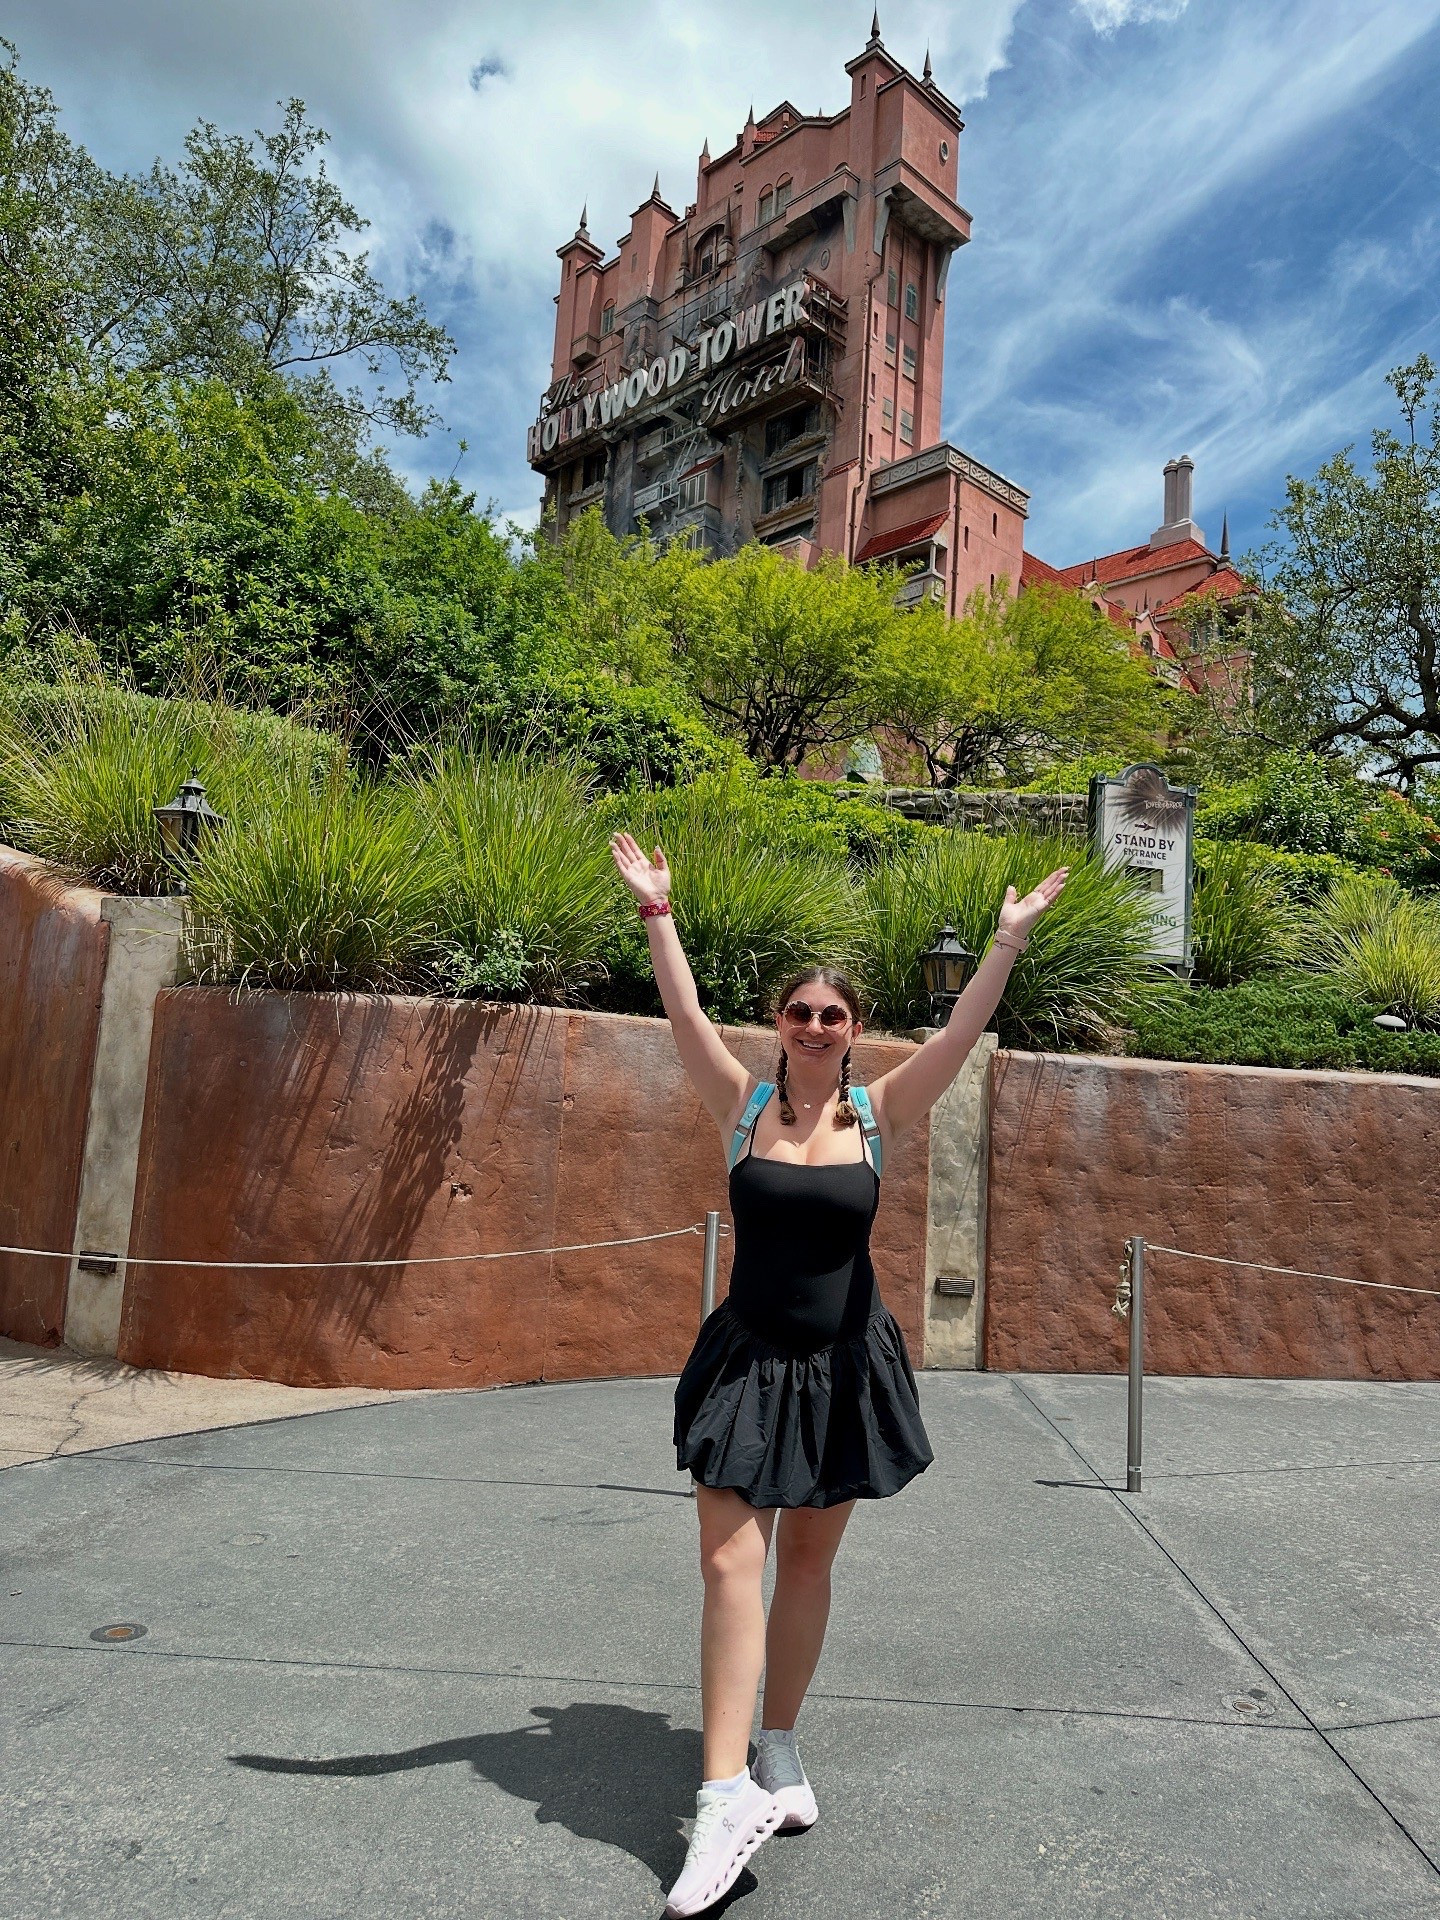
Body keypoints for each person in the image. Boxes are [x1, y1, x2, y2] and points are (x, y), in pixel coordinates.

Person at [609, 830, 1069, 1918]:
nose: (814, 1026)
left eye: (833, 1014)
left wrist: (1004, 944)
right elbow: (680, 1018)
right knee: (729, 1561)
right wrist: (658, 915)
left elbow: (961, 1031)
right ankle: (723, 1797)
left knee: (807, 1566)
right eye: (798, 1012)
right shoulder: (739, 1104)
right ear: (780, 1026)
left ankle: (777, 1746)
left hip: (844, 1365)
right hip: (746, 1359)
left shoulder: (878, 1113)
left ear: (854, 1032)